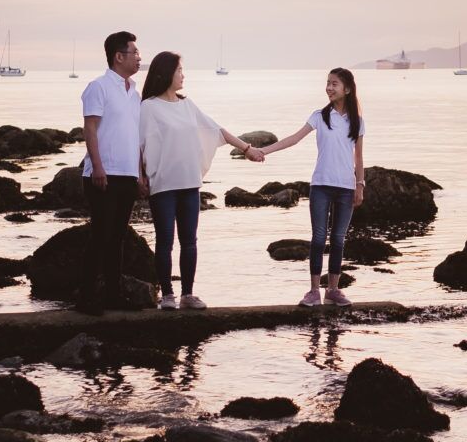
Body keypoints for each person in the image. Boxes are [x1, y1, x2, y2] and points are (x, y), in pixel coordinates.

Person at [138, 51, 264, 310]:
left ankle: (188, 294)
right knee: (164, 241)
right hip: (162, 184)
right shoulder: (148, 107)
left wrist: (247, 149)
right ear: (166, 73)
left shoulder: (187, 105)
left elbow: (216, 130)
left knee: (190, 241)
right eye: (180, 70)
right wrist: (140, 176)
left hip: (189, 183)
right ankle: (168, 296)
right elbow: (139, 145)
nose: (183, 74)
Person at [257, 67, 364, 307]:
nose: (329, 87)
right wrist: (264, 150)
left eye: (334, 83)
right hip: (321, 186)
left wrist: (360, 185)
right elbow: (293, 139)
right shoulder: (319, 116)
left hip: (346, 187)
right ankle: (314, 291)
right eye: (327, 83)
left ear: (346, 89)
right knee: (318, 238)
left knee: (338, 239)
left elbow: (359, 158)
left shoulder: (357, 121)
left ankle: (333, 291)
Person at [77, 30, 146, 314]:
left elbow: (136, 136)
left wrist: (140, 174)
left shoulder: (135, 93)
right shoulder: (99, 87)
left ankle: (113, 296)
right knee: (100, 235)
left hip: (128, 174)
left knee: (118, 237)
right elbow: (90, 128)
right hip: (103, 174)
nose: (140, 58)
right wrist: (98, 167)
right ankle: (86, 298)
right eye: (135, 53)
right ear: (119, 57)